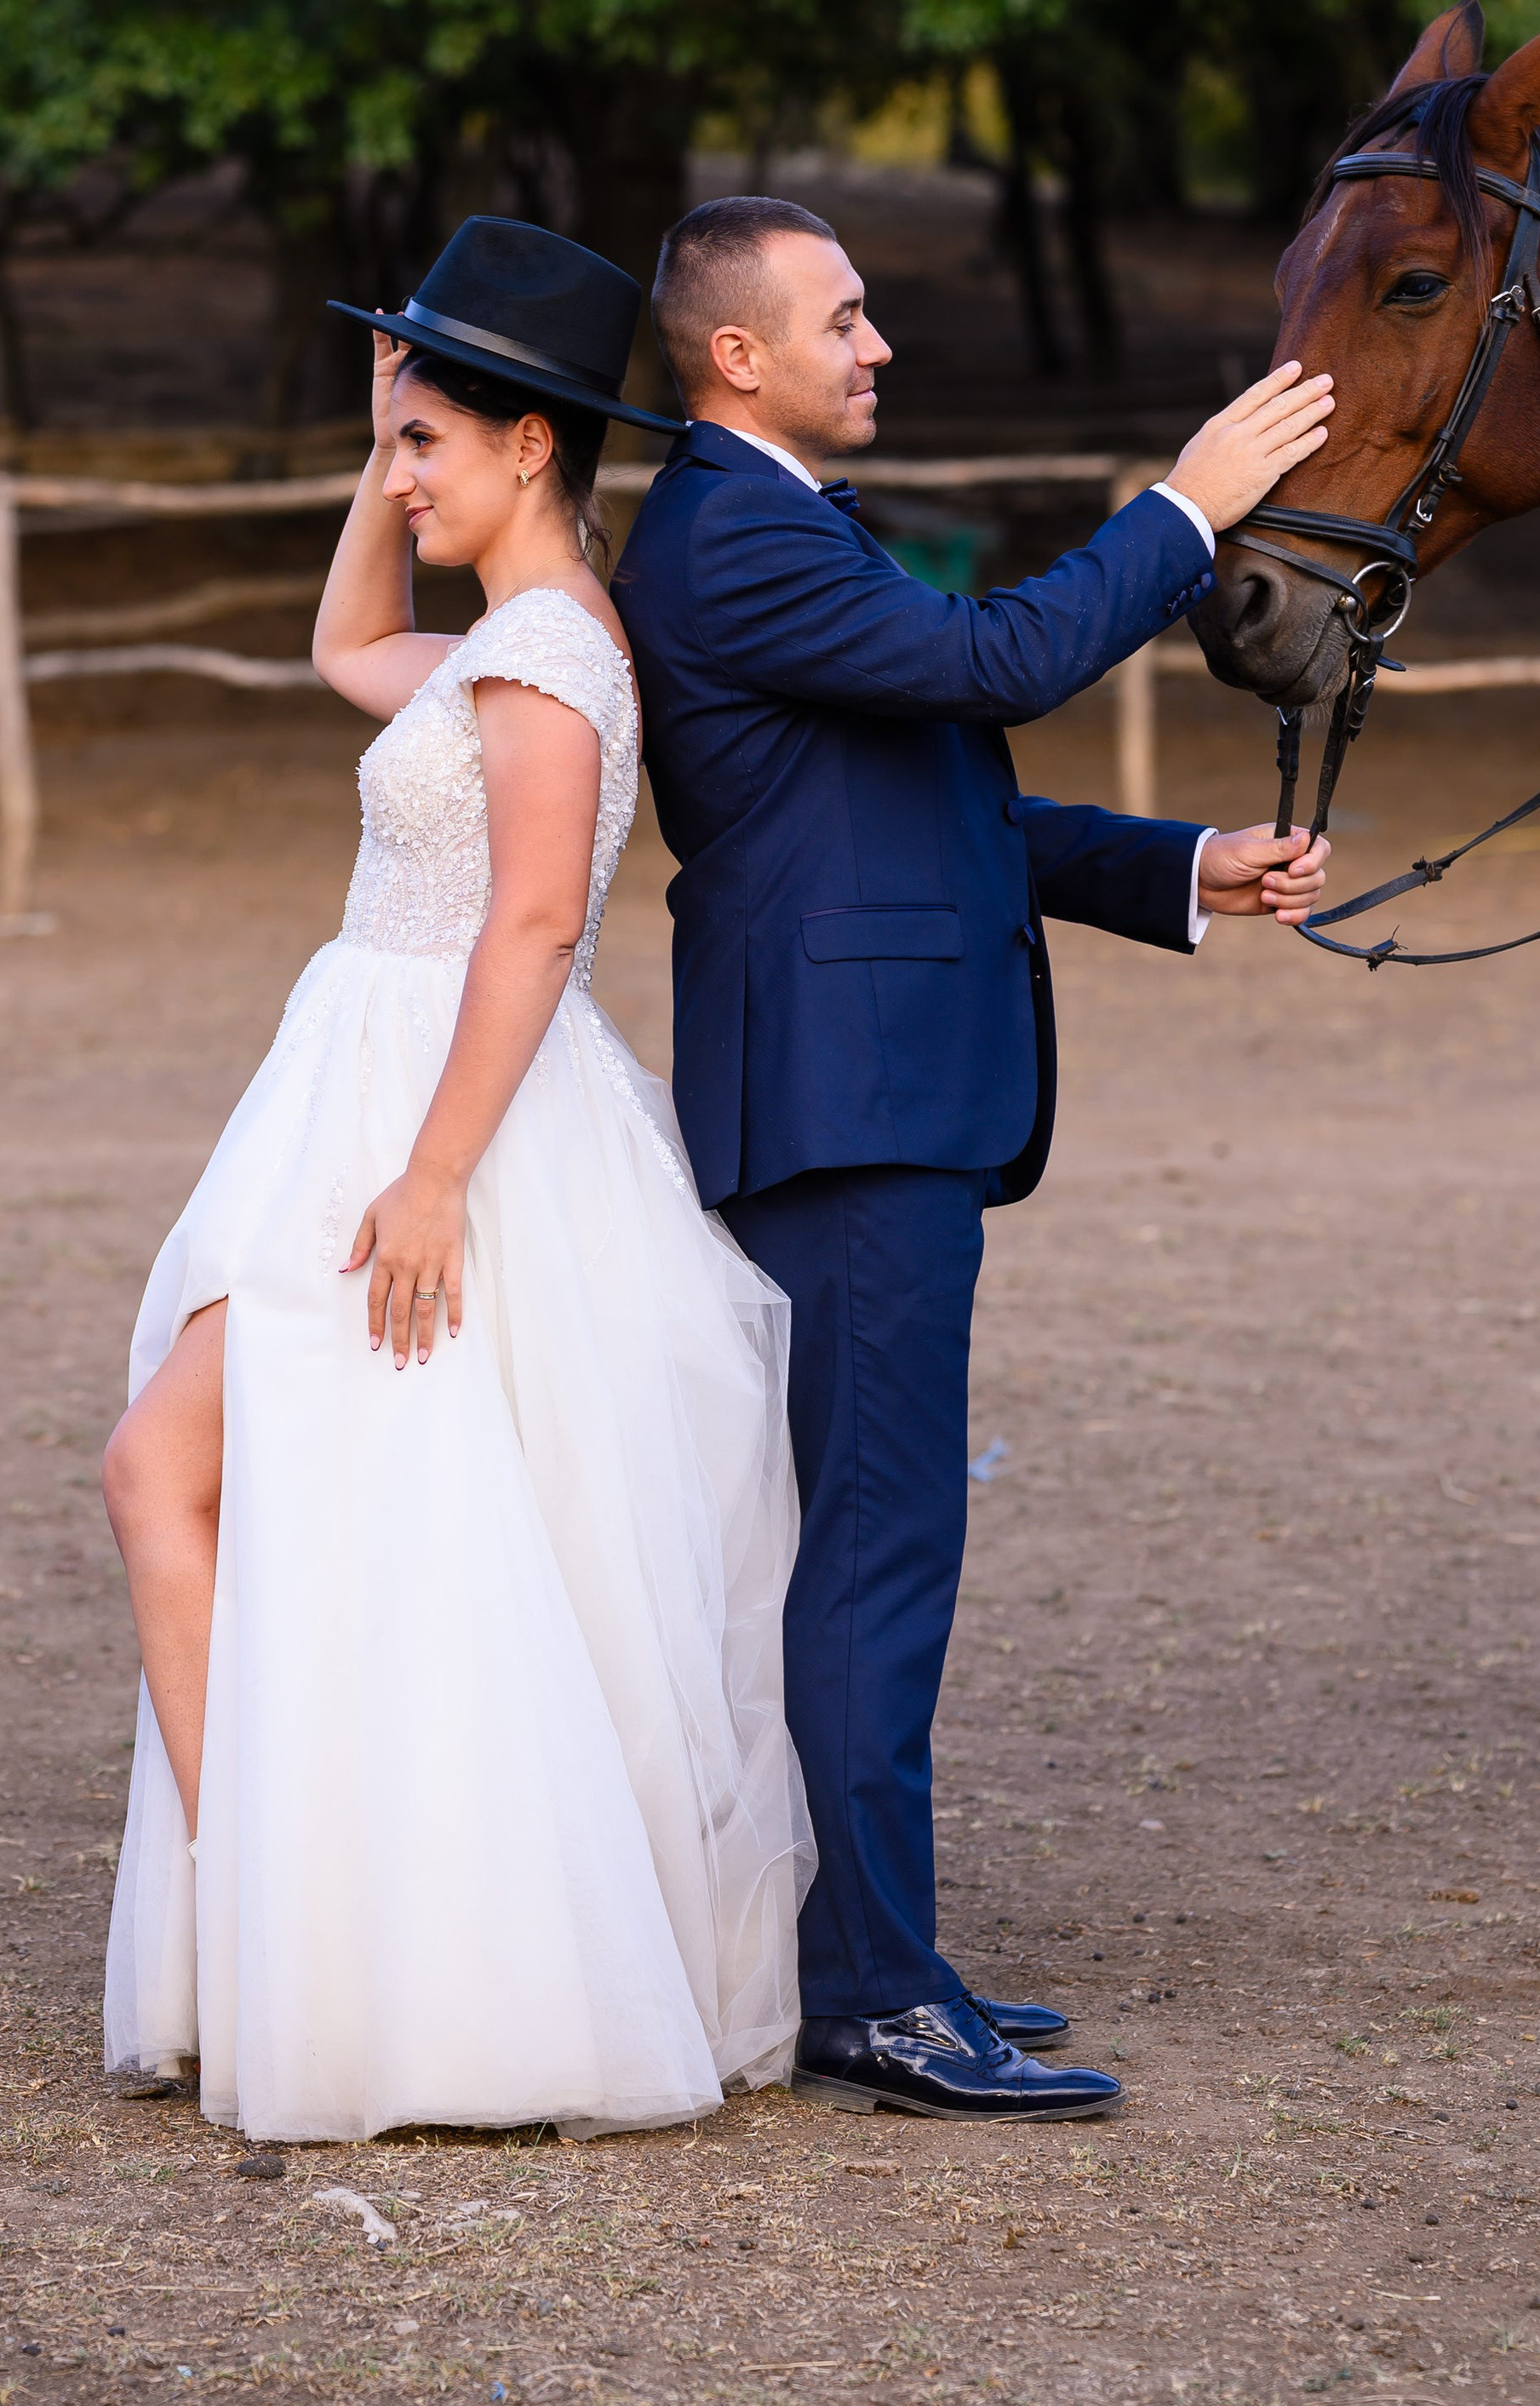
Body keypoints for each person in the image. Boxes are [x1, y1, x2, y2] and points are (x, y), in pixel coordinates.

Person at [609, 195, 1333, 2122]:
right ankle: (870, 1995)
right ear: (735, 354)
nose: (879, 346)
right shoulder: (728, 528)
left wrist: (1180, 867)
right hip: (847, 1111)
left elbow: (916, 801)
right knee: (874, 1553)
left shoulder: (769, 522)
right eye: (842, 319)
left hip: (862, 1097)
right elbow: (997, 663)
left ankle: (866, 1958)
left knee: (867, 1544)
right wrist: (1183, 512)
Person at [98, 218, 810, 2142]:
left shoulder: (553, 655)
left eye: (427, 443)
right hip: (368, 1094)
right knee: (361, 1524)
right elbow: (345, 648)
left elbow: (531, 926)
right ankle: (299, 1927)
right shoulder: (504, 639)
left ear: (532, 446)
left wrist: (428, 1180)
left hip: (438, 1124)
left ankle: (289, 1927)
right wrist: (385, 438)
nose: (401, 477)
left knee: (179, 1474)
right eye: (395, 440)